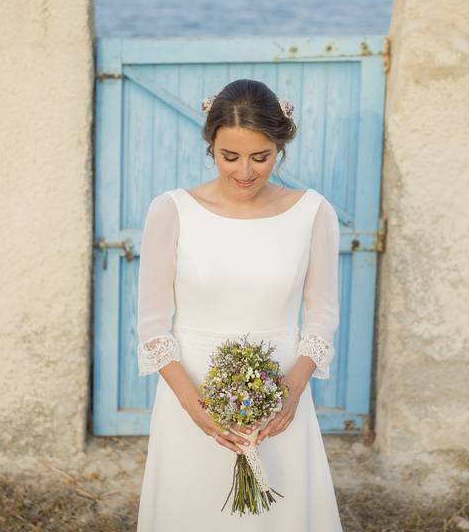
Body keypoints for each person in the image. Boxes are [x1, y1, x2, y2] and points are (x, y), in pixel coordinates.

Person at [135, 78, 344, 530]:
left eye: (260, 157)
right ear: (211, 146)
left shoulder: (312, 213)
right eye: (230, 156)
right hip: (191, 395)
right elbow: (152, 326)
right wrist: (193, 406)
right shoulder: (171, 211)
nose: (245, 171)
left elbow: (323, 315)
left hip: (280, 398)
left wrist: (291, 393)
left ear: (280, 147)